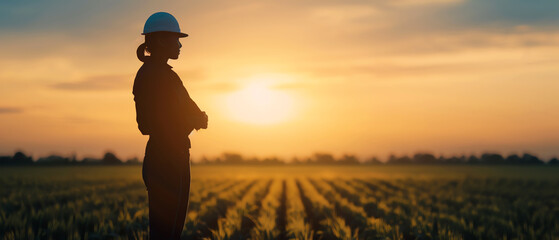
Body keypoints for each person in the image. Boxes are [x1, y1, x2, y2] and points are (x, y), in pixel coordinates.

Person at [132, 12, 208, 240]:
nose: (179, 45)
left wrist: (194, 118)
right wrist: (192, 120)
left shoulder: (165, 75)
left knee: (170, 232)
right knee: (165, 233)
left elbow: (190, 111)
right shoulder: (153, 76)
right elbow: (148, 124)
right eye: (176, 39)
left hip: (172, 158)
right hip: (166, 161)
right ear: (161, 41)